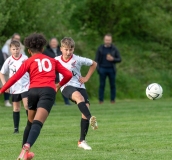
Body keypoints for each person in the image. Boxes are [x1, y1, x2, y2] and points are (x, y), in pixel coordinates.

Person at [0, 33, 72, 159]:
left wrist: (1, 91)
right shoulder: (52, 61)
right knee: (37, 123)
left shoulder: (28, 61)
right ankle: (27, 145)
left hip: (32, 92)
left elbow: (14, 78)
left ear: (28, 50)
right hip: (47, 92)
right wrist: (59, 85)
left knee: (30, 122)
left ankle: (24, 154)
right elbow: (68, 75)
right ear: (43, 49)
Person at [55, 37, 98, 150]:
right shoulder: (56, 60)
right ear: (61, 49)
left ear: (73, 49)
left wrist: (86, 77)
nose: (68, 52)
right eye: (66, 49)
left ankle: (82, 141)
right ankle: (90, 119)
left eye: (71, 49)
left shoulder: (77, 59)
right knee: (79, 98)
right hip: (66, 86)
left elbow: (94, 64)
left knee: (86, 107)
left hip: (79, 85)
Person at [0, 40, 29, 133]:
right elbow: (1, 73)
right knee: (16, 108)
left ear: (20, 49)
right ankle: (16, 129)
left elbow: (31, 71)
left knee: (27, 105)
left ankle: (30, 126)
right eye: (13, 49)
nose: (16, 51)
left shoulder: (25, 59)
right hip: (14, 87)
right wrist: (5, 85)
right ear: (10, 49)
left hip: (25, 86)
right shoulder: (9, 60)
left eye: (17, 49)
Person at [95, 33, 122, 104]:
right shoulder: (100, 48)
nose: (107, 41)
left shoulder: (114, 49)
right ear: (104, 40)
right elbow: (96, 60)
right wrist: (98, 69)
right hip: (102, 69)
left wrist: (113, 59)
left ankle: (112, 100)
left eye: (109, 40)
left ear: (111, 40)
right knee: (102, 85)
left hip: (111, 69)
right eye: (106, 40)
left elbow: (119, 59)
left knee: (112, 85)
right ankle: (101, 100)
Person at [43, 37, 71, 105]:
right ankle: (52, 101)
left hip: (60, 71)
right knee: (52, 87)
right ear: (50, 43)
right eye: (52, 42)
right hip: (51, 71)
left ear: (57, 43)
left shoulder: (60, 50)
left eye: (55, 42)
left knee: (63, 85)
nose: (53, 43)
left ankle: (67, 102)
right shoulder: (46, 51)